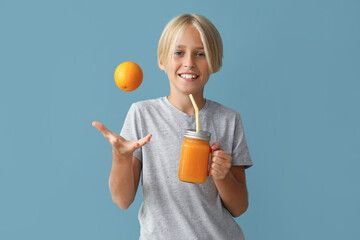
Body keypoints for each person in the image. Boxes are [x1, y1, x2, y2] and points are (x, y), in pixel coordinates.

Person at [93, 13, 253, 240]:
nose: (189, 62)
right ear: (162, 60)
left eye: (201, 54)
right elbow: (122, 200)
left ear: (214, 63)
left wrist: (222, 175)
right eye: (179, 52)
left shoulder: (228, 119)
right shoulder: (142, 114)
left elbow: (239, 207)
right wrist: (120, 157)